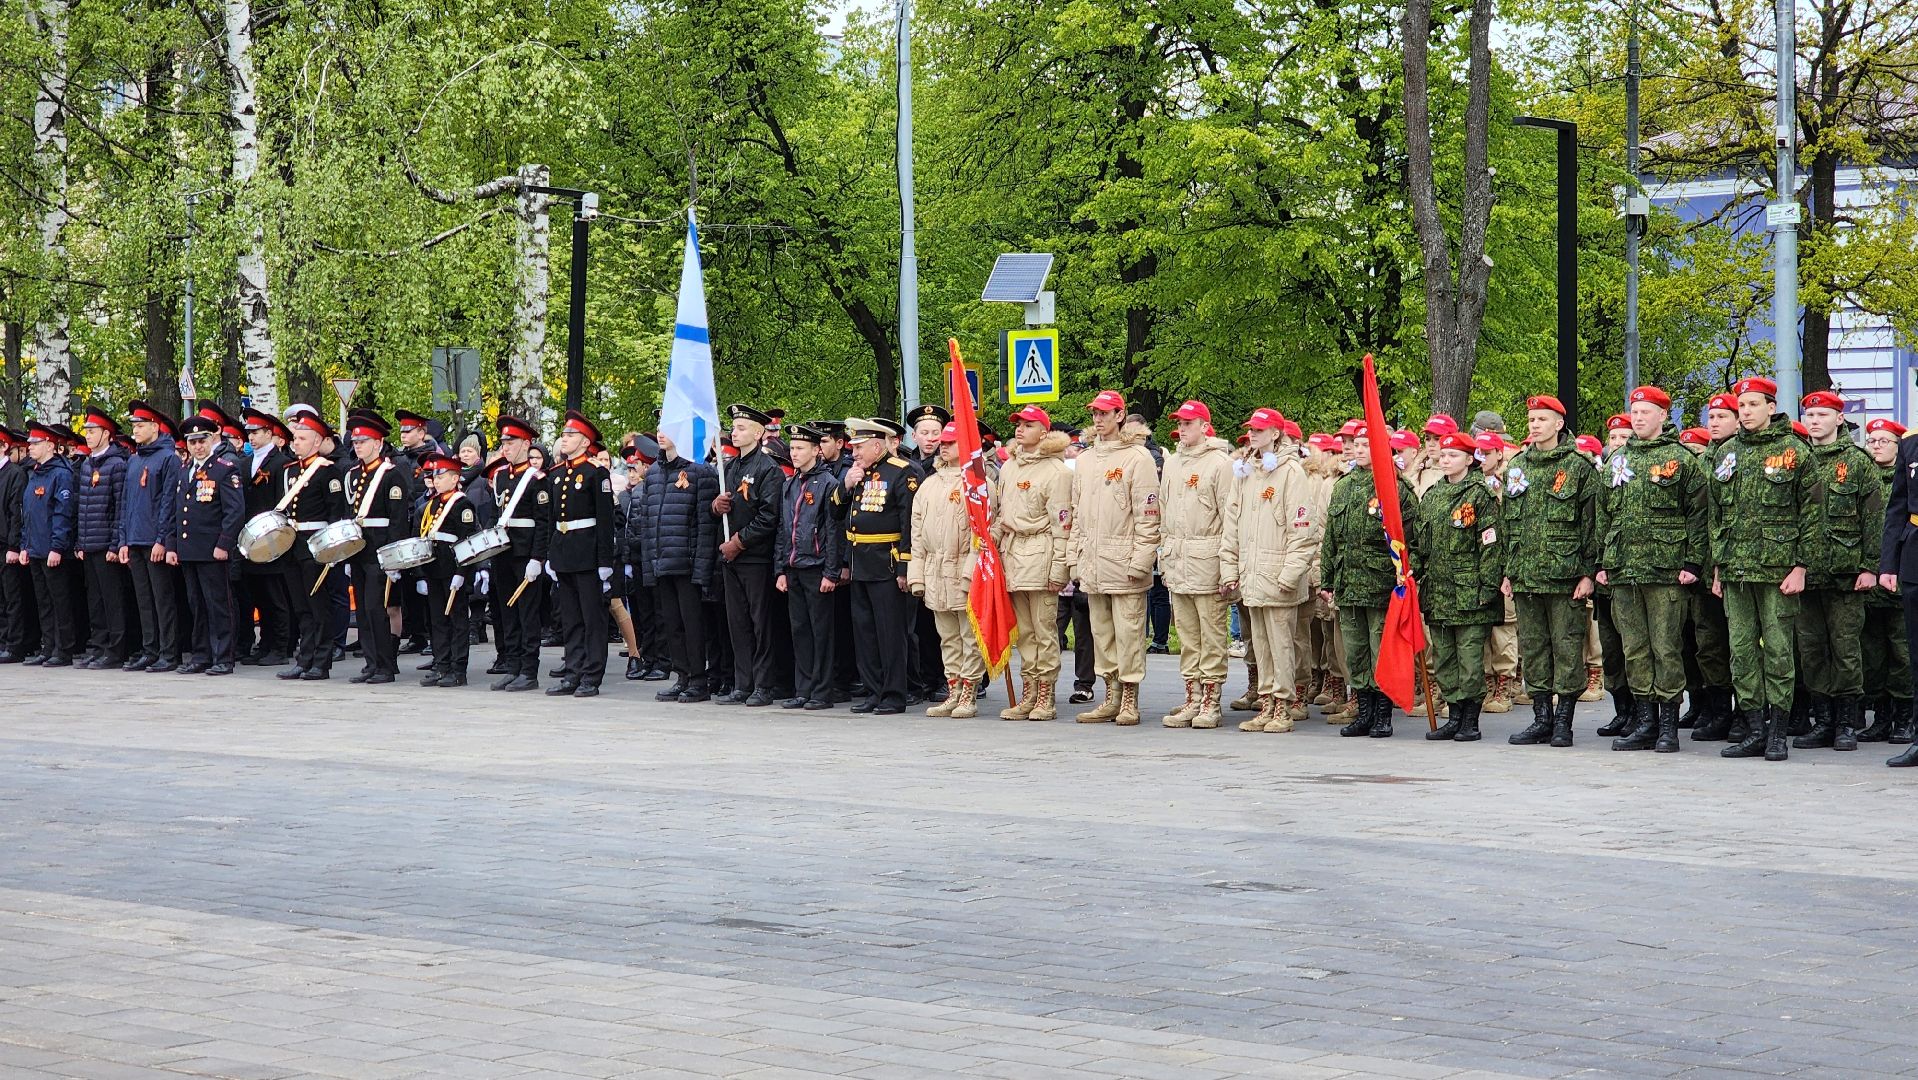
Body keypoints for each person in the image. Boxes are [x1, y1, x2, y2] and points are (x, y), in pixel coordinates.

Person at [1596, 386, 1708, 753]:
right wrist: (1601, 562)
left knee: (1666, 647)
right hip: (1624, 570)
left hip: (1666, 570)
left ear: (1663, 415)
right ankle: (1644, 720)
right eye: (1635, 411)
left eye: (1647, 412)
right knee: (1635, 649)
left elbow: (1699, 514)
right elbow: (1603, 514)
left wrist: (1693, 562)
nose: (1639, 417)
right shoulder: (1616, 461)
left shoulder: (1681, 460)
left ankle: (1668, 725)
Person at [1715, 376, 1817, 761]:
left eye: (1754, 405)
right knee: (1741, 652)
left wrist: (1801, 566)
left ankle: (1777, 732)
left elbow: (1811, 513)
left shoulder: (1794, 451)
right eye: (1741, 406)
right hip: (1737, 570)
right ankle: (1754, 728)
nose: (1746, 412)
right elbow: (1716, 515)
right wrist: (1718, 567)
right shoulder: (1727, 452)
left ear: (1771, 407)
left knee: (1777, 651)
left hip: (1777, 569)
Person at [1502, 395, 1600, 748]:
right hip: (1527, 575)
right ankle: (1541, 718)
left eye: (1542, 419)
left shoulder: (1579, 467)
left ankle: (1564, 721)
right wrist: (1508, 571)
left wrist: (1589, 572)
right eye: (1531, 419)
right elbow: (1508, 524)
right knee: (1534, 648)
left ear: (1559, 423)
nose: (1534, 425)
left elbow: (1593, 525)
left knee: (1567, 647)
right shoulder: (1517, 467)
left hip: (1565, 576)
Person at [1792, 390, 1882, 751]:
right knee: (1811, 648)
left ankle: (1847, 721)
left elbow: (1874, 518)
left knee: (1845, 648)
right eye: (1810, 416)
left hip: (1845, 572)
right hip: (1805, 572)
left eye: (1822, 415)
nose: (1815, 421)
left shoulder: (1857, 462)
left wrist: (1869, 566)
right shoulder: (1796, 459)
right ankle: (1823, 719)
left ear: (1839, 419)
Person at [1222, 407, 1320, 733]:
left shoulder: (1291, 472)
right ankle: (1265, 703)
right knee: (1259, 644)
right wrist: (1230, 569)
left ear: (1276, 433)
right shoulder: (1246, 472)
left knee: (1281, 645)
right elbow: (1232, 525)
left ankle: (1283, 707)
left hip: (1278, 576)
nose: (1253, 434)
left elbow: (1302, 530)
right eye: (1251, 429)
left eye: (1260, 430)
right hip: (1252, 574)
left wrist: (1289, 574)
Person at [1067, 390, 1161, 726]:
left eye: (1105, 413)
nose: (1098, 418)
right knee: (1101, 633)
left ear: (1120, 415)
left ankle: (1130, 698)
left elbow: (1148, 516)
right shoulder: (1086, 460)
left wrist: (1140, 561)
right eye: (1094, 412)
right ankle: (1110, 695)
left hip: (1124, 560)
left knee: (1129, 632)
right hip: (1093, 561)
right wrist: (1073, 560)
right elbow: (1077, 515)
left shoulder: (1138, 458)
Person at [1320, 424, 1417, 737]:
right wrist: (1328, 579)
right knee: (1355, 649)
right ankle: (1364, 710)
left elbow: (1409, 538)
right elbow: (1331, 538)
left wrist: (1404, 577)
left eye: (1366, 444)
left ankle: (1383, 715)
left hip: (1380, 583)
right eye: (1356, 445)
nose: (1360, 450)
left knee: (1380, 649)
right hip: (1349, 580)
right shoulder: (1344, 486)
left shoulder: (1394, 488)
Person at [1411, 431, 1504, 741]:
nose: (1446, 459)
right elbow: (1420, 544)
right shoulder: (1433, 496)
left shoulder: (1479, 494)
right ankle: (1453, 714)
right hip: (1437, 594)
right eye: (1444, 455)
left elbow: (1490, 544)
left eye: (1453, 455)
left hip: (1470, 594)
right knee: (1444, 658)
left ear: (1469, 459)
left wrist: (1487, 588)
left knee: (1469, 659)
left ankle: (1470, 720)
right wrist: (1410, 570)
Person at [1156, 401, 1236, 729]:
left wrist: (1228, 567)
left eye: (1189, 423)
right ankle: (1192, 695)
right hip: (1178, 559)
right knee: (1188, 635)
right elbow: (1163, 512)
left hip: (1208, 558)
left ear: (1205, 426)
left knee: (1212, 634)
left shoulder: (1220, 463)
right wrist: (1164, 554)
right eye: (1180, 422)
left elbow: (1231, 518)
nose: (1183, 427)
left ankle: (1211, 701)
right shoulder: (1172, 463)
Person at [992, 406, 1074, 721]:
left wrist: (1058, 570)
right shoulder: (1010, 468)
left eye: (1028, 425)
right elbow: (1003, 513)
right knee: (1024, 631)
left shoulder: (1058, 472)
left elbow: (1062, 525)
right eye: (1017, 425)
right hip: (1013, 555)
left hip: (1041, 551)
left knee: (1044, 629)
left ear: (1043, 431)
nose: (1020, 429)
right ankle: (1028, 690)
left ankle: (1045, 694)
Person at [909, 421, 989, 717]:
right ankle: (953, 688)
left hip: (963, 568)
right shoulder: (929, 484)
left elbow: (984, 532)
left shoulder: (977, 482)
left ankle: (969, 691)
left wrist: (970, 572)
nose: (943, 445)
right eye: (942, 441)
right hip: (935, 570)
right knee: (947, 636)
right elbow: (916, 533)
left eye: (951, 442)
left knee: (969, 635)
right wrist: (917, 573)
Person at [710, 404, 786, 706]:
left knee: (760, 623)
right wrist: (716, 507)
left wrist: (739, 542)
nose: (735, 432)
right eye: (734, 427)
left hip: (755, 557)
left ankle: (764, 685)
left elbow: (769, 516)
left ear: (757, 432)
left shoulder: (768, 469)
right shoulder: (729, 467)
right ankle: (743, 683)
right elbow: (719, 509)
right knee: (737, 623)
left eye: (741, 428)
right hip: (731, 559)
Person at [842, 417, 918, 714]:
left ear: (877, 445)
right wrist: (846, 484)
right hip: (860, 561)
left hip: (887, 562)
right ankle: (873, 691)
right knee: (865, 632)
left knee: (890, 633)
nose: (855, 452)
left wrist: (904, 567)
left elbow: (908, 523)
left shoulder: (901, 472)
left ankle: (893, 694)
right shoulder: (859, 473)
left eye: (860, 447)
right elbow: (838, 512)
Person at [641, 430, 719, 703]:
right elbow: (647, 524)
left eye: (670, 429)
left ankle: (699, 679)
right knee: (671, 623)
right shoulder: (653, 473)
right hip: (663, 561)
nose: (661, 435)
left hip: (687, 563)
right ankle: (682, 675)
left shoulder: (700, 471)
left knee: (693, 624)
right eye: (660, 428)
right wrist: (650, 566)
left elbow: (705, 526)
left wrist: (701, 568)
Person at [545, 410, 617, 698]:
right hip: (565, 551)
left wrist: (604, 562)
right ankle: (572, 672)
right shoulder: (557, 474)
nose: (565, 438)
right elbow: (552, 518)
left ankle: (592, 674)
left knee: (592, 618)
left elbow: (605, 520)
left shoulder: (596, 473)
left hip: (587, 553)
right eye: (564, 434)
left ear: (586, 442)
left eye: (571, 435)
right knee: (570, 618)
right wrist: (551, 554)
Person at [165, 415, 245, 674]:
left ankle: (224, 656)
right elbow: (176, 511)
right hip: (189, 550)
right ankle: (201, 655)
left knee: (218, 604)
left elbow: (234, 512)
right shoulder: (183, 470)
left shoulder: (224, 469)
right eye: (193, 441)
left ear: (212, 440)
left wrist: (224, 543)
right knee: (196, 604)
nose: (198, 446)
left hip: (213, 550)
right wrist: (172, 545)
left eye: (202, 440)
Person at [270, 412, 346, 680]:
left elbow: (337, 514)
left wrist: (332, 551)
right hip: (292, 545)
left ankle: (321, 662)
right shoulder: (289, 470)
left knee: (319, 606)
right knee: (300, 606)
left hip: (316, 546)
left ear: (316, 442)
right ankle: (304, 658)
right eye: (294, 438)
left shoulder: (328, 471)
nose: (296, 443)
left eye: (302, 439)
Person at [774, 424, 845, 711]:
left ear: (816, 450)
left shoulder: (827, 483)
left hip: (816, 568)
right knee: (799, 630)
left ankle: (821, 690)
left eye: (800, 448)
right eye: (792, 448)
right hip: (794, 567)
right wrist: (780, 568)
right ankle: (803, 688)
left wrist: (831, 571)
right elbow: (783, 528)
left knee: (821, 631)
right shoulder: (789, 484)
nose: (794, 453)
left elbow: (832, 530)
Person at [483, 415, 551, 692]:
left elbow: (543, 522)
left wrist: (537, 558)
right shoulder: (500, 477)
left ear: (526, 443)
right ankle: (512, 666)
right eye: (503, 443)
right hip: (504, 552)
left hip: (525, 554)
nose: (505, 447)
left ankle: (529, 671)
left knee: (527, 613)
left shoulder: (537, 479)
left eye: (511, 442)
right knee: (507, 612)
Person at [1687, 393, 1741, 741]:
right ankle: (1718, 710)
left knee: (1742, 644)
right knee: (1709, 644)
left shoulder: (1739, 456)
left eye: (1723, 415)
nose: (1715, 421)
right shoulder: (1702, 461)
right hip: (1704, 570)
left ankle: (1749, 713)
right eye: (1712, 416)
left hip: (1739, 566)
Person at [119, 401, 186, 672]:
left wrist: (162, 539)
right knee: (144, 600)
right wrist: (123, 539)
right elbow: (126, 502)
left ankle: (169, 652)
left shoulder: (168, 458)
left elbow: (169, 501)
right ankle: (150, 649)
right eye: (133, 425)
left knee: (163, 599)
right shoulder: (134, 459)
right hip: (135, 538)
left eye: (140, 425)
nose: (135, 430)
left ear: (155, 427)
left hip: (153, 540)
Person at [1859, 418, 1912, 742]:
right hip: (1869, 583)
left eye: (1884, 440)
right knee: (1873, 654)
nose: (1876, 446)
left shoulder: (1906, 477)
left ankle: (1905, 717)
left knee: (1902, 652)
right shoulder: (1865, 477)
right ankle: (1880, 716)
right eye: (1872, 440)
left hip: (1902, 579)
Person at [410, 452, 479, 686]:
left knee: (457, 620)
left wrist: (462, 573)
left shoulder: (462, 504)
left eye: (442, 476)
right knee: (438, 619)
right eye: (435, 476)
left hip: (453, 570)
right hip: (434, 568)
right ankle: (441, 664)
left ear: (454, 478)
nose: (436, 480)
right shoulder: (432, 505)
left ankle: (458, 669)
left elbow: (467, 541)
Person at [73, 406, 131, 668]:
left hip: (106, 543)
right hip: (89, 542)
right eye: (86, 431)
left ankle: (115, 649)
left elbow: (120, 507)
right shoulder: (87, 464)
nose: (87, 435)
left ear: (106, 434)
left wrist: (115, 543)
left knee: (112, 599)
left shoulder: (116, 464)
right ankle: (98, 645)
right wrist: (80, 541)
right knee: (94, 599)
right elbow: (82, 506)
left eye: (92, 431)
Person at [17, 421, 77, 666]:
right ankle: (48, 645)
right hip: (35, 546)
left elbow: (62, 514)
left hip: (52, 549)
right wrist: (24, 545)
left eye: (36, 443)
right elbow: (28, 513)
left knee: (59, 599)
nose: (30, 447)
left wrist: (57, 546)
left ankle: (63, 649)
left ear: (50, 445)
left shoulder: (60, 474)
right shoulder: (35, 473)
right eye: (30, 443)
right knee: (43, 600)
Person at [0, 427, 31, 662]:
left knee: (12, 596)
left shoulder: (14, 474)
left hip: (5, 545)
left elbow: (16, 513)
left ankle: (15, 643)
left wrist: (13, 546)